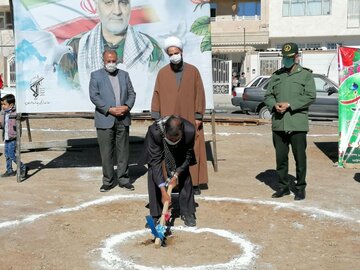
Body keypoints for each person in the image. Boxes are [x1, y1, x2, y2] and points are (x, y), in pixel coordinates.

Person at [60, 0, 164, 109]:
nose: (117, 11)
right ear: (96, 6)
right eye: (108, 3)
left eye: (123, 2)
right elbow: (65, 96)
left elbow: (158, 95)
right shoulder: (75, 48)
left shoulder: (150, 48)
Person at [151, 36, 208, 195]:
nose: (174, 56)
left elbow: (199, 94)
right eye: (171, 54)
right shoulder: (162, 73)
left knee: (192, 149)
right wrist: (156, 116)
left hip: (189, 117)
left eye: (176, 52)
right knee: (170, 151)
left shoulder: (193, 71)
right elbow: (157, 94)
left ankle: (194, 183)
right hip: (169, 121)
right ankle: (172, 183)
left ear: (181, 52)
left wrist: (198, 116)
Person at [264, 42, 316, 201]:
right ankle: (283, 187)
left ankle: (300, 188)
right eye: (284, 58)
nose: (286, 60)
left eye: (289, 58)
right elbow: (268, 96)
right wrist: (274, 105)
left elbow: (310, 96)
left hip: (297, 123)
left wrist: (290, 105)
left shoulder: (306, 75)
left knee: (300, 158)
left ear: (296, 57)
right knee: (281, 158)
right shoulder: (276, 75)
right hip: (279, 123)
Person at [89, 50, 136, 192]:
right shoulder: (95, 76)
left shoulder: (124, 75)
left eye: (113, 61)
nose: (111, 64)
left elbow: (131, 93)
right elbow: (94, 96)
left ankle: (124, 179)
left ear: (117, 61)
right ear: (103, 61)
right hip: (105, 118)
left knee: (123, 152)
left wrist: (127, 107)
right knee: (106, 152)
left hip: (123, 117)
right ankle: (108, 181)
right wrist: (109, 109)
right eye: (108, 61)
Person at [145, 115, 197, 227]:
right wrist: (163, 191)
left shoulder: (189, 131)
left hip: (181, 150)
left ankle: (188, 212)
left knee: (185, 174)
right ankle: (156, 214)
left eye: (176, 138)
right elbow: (155, 162)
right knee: (153, 173)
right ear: (165, 131)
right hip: (160, 147)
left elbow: (187, 157)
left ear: (182, 132)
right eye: (170, 137)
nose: (173, 140)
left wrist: (176, 175)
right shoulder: (155, 132)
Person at [0, 94, 29, 179]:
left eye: (4, 104)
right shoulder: (3, 113)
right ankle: (9, 171)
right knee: (7, 155)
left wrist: (22, 109)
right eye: (2, 104)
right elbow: (2, 124)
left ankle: (23, 167)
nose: (2, 106)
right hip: (6, 137)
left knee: (12, 155)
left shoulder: (16, 112)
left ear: (11, 105)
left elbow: (24, 117)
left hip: (13, 137)